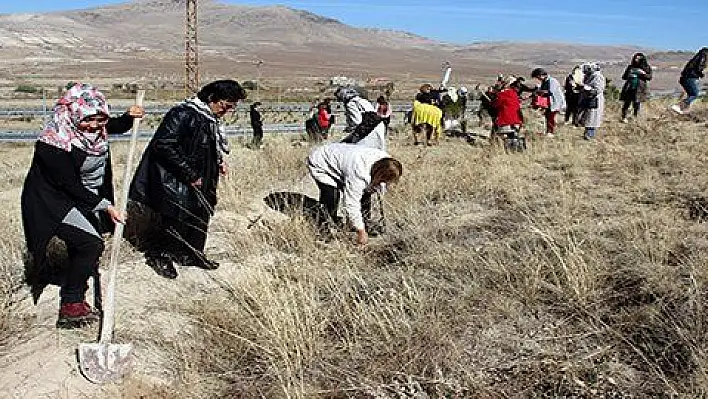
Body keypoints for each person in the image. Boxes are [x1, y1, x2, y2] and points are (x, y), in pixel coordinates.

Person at [21, 83, 144, 328]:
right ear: (76, 114)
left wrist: (129, 118)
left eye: (101, 119)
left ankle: (72, 277)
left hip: (83, 197)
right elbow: (68, 184)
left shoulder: (94, 129)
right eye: (90, 120)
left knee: (85, 242)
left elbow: (114, 126)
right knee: (91, 244)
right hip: (53, 201)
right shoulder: (53, 142)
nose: (96, 126)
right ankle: (71, 304)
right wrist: (106, 206)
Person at [129, 80, 247, 279]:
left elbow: (205, 145)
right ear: (212, 98)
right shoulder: (182, 113)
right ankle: (160, 256)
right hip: (175, 177)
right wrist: (189, 173)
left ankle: (192, 254)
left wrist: (218, 161)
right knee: (175, 217)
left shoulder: (208, 118)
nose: (227, 110)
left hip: (201, 175)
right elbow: (164, 145)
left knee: (201, 214)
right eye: (226, 105)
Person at [307, 142, 402, 246]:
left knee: (366, 192)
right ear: (379, 174)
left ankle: (362, 223)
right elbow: (351, 204)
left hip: (341, 157)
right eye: (382, 180)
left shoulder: (387, 161)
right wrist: (360, 232)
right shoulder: (359, 172)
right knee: (331, 195)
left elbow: (378, 186)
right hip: (321, 162)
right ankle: (324, 229)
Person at [335, 87, 387, 151]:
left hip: (368, 129)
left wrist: (349, 129)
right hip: (378, 125)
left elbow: (357, 121)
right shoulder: (362, 100)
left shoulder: (350, 103)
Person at [531, 68, 566, 137]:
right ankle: (549, 131)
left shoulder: (552, 81)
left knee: (550, 117)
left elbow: (550, 92)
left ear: (541, 75)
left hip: (554, 102)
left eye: (537, 77)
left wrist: (539, 92)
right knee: (548, 116)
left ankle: (550, 132)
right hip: (549, 102)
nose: (538, 79)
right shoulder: (545, 81)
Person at [671, 47, 707, 115]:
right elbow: (699, 68)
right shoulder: (703, 57)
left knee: (690, 95)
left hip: (685, 78)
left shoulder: (694, 59)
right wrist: (701, 74)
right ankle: (678, 106)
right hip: (690, 78)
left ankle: (684, 110)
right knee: (695, 94)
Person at [619, 53, 652, 122]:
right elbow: (624, 77)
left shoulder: (646, 67)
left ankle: (635, 118)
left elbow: (649, 77)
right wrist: (629, 75)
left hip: (639, 88)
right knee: (626, 103)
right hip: (629, 87)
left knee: (636, 103)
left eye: (638, 59)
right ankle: (623, 117)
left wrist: (642, 74)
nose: (636, 60)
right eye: (635, 58)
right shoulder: (630, 67)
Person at [492, 75, 524, 146]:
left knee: (501, 138)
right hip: (516, 121)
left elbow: (495, 105)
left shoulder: (502, 94)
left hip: (505, 121)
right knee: (513, 139)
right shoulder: (514, 94)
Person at [578, 63, 606, 140]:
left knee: (592, 119)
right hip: (588, 99)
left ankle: (589, 136)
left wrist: (586, 88)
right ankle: (587, 135)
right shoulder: (589, 76)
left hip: (594, 100)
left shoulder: (597, 76)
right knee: (588, 118)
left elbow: (598, 90)